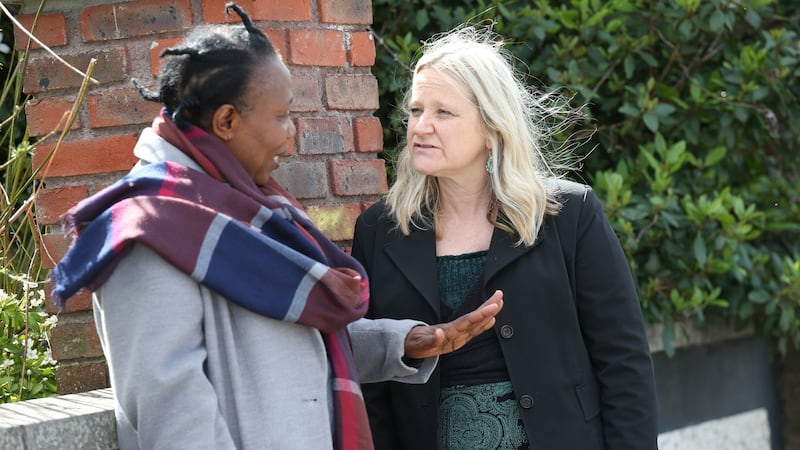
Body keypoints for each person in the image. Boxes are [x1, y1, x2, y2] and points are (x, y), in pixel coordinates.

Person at [49, 5, 503, 450]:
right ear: (227, 121)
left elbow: (281, 347)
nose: (291, 133)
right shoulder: (147, 233)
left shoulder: (243, 210)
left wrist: (399, 342)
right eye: (281, 115)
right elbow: (173, 418)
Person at [351, 25, 659, 450]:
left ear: (492, 128)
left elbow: (623, 362)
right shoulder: (379, 230)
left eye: (444, 112)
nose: (421, 126)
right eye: (416, 110)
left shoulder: (568, 216)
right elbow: (373, 387)